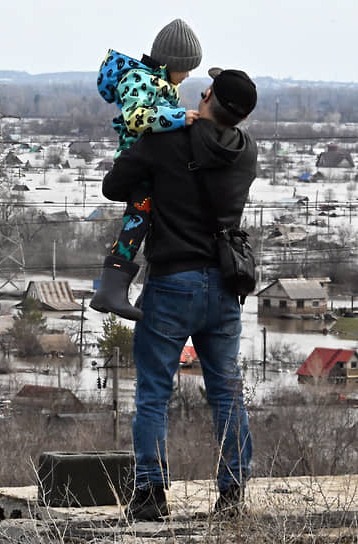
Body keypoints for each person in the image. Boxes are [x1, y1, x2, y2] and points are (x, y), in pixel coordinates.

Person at [102, 68, 258, 521]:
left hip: (172, 282)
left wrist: (157, 129)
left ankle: (150, 495)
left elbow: (114, 186)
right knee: (228, 393)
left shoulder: (166, 142)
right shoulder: (247, 153)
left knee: (153, 392)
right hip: (226, 287)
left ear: (206, 95)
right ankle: (232, 496)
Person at [90, 18, 202, 321]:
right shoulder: (140, 80)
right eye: (186, 68)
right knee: (137, 219)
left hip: (154, 164)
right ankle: (111, 290)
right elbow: (137, 118)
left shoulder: (161, 82)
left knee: (148, 220)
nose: (189, 74)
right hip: (137, 163)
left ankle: (128, 292)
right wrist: (180, 118)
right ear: (171, 63)